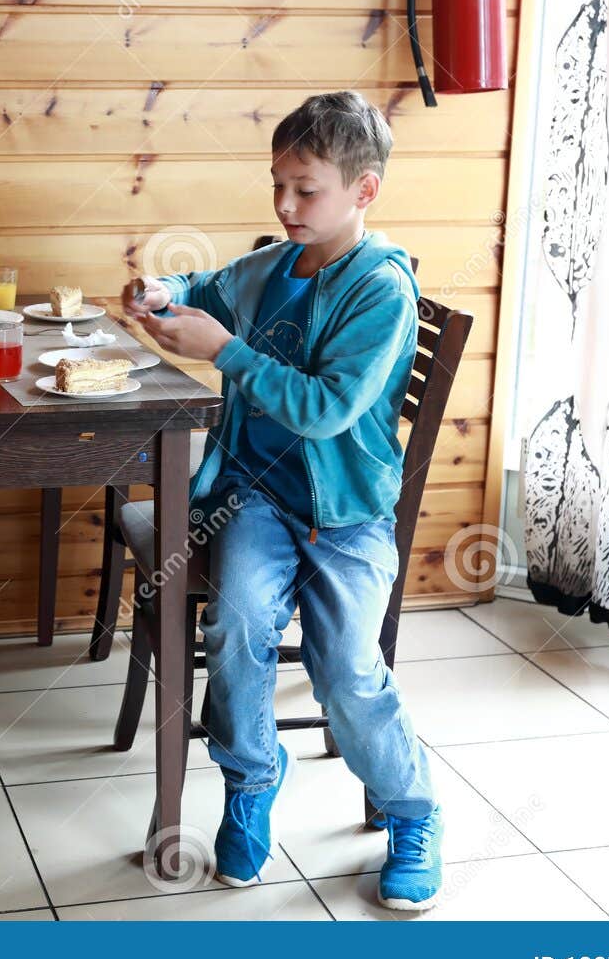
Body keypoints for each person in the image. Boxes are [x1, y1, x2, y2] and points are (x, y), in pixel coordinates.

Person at [123, 92, 442, 909]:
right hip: (254, 498)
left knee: (346, 669)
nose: (285, 204)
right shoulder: (273, 266)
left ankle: (413, 811)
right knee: (233, 628)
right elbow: (208, 285)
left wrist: (226, 352)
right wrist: (162, 289)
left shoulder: (381, 290)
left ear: (364, 190)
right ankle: (252, 781)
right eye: (278, 184)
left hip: (347, 515)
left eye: (306, 189)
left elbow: (326, 408)